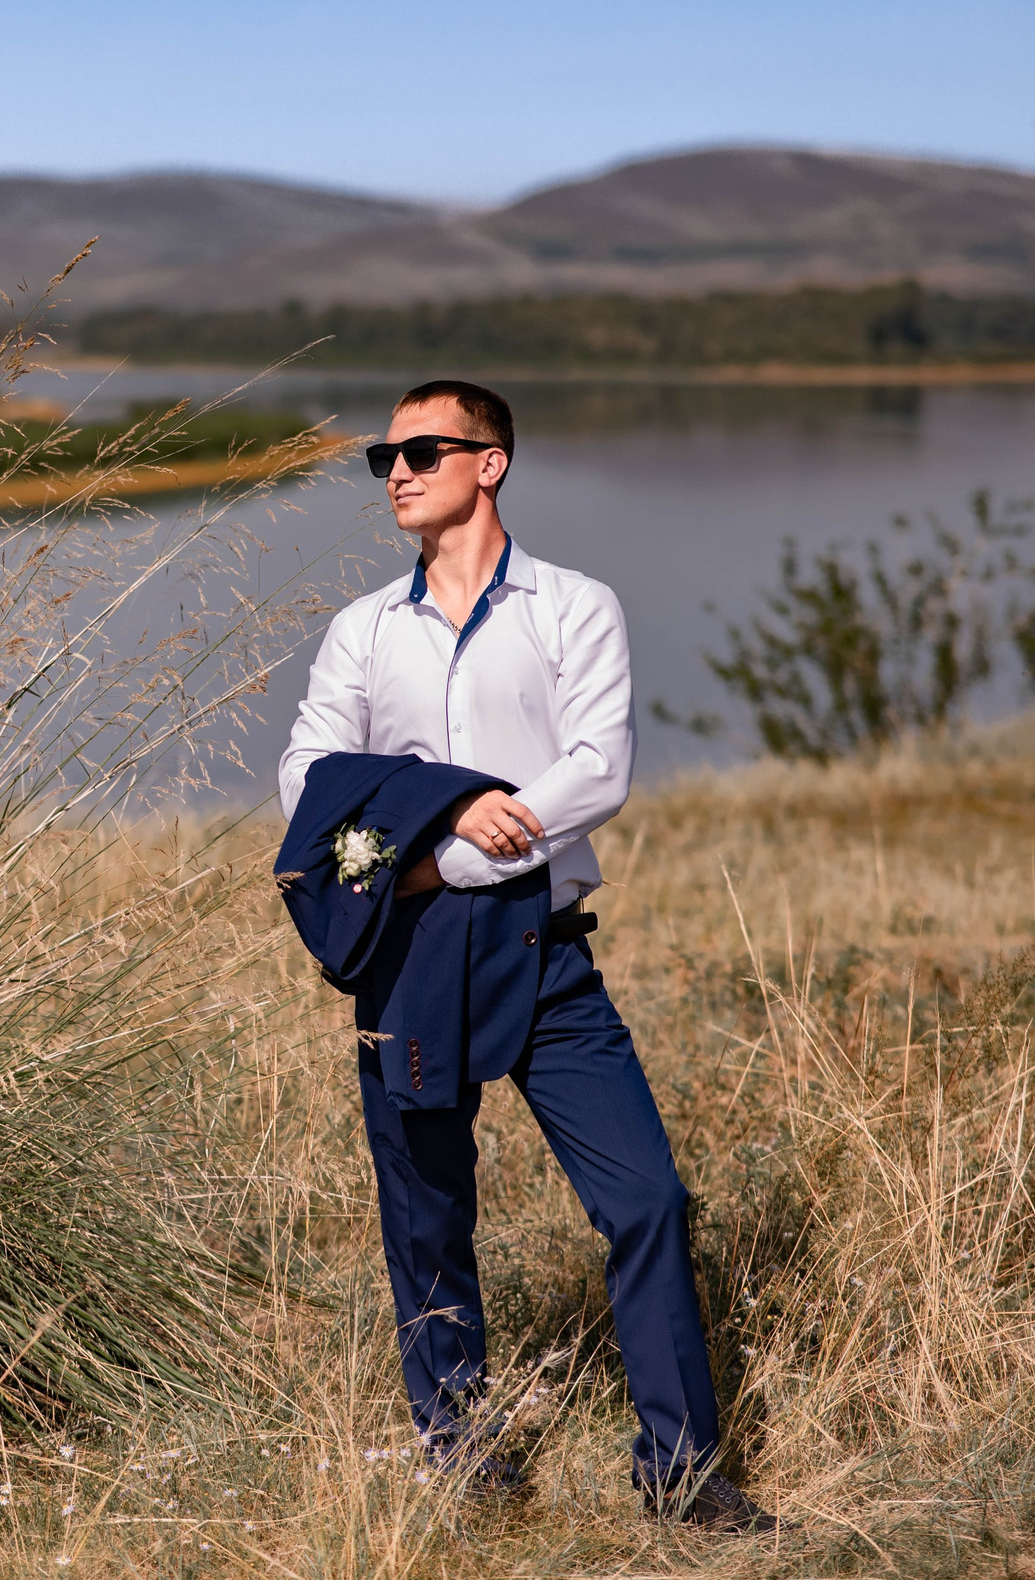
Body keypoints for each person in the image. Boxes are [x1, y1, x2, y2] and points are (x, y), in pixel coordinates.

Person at [277, 379, 776, 1533]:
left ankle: (682, 1474)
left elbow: (597, 769)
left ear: (489, 462)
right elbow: (309, 785)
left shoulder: (574, 606)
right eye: (382, 456)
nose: (394, 470)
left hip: (543, 952)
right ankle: (460, 1459)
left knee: (648, 1196)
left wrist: (436, 849)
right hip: (404, 958)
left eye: (420, 449)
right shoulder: (363, 629)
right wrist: (450, 818)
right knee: (427, 1219)